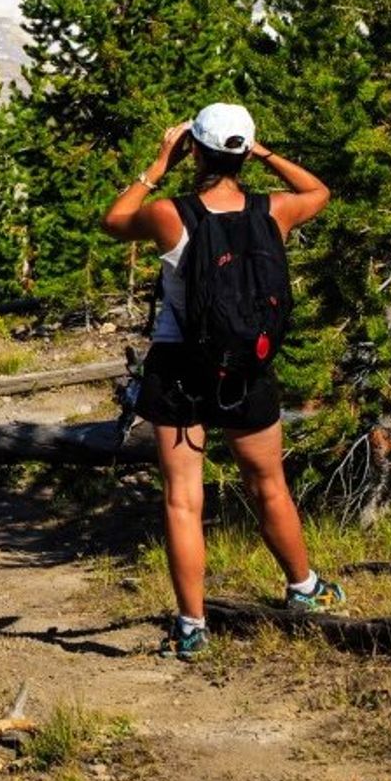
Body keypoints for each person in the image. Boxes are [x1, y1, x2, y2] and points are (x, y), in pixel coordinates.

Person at [102, 103, 340, 661]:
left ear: (196, 150)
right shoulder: (274, 211)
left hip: (178, 366)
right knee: (269, 484)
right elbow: (321, 192)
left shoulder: (170, 215)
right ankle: (303, 588)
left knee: (183, 500)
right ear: (243, 151)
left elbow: (113, 220)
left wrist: (158, 165)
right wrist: (265, 154)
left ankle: (192, 627)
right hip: (247, 369)